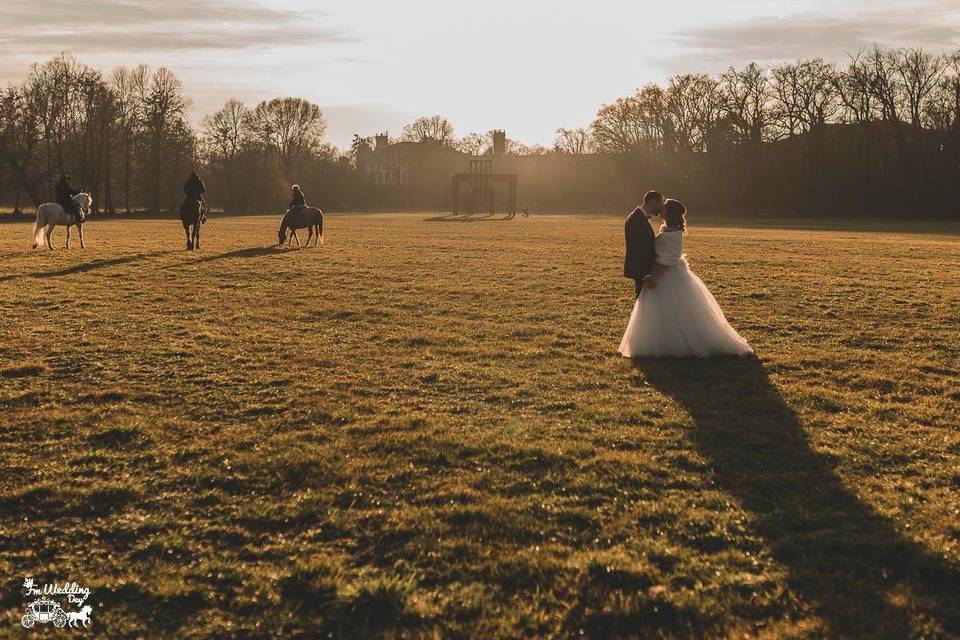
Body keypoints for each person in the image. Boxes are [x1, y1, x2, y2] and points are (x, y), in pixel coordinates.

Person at [618, 199, 753, 358]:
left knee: (672, 309)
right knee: (664, 310)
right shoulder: (667, 229)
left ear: (670, 213)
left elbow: (669, 260)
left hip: (666, 276)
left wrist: (653, 278)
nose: (661, 209)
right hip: (661, 272)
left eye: (664, 207)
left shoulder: (673, 233)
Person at [623, 190, 664, 298]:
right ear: (653, 202)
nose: (661, 207)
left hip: (645, 271)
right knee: (642, 302)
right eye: (661, 203)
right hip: (642, 272)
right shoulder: (636, 219)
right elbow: (636, 250)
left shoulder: (639, 217)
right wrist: (645, 275)